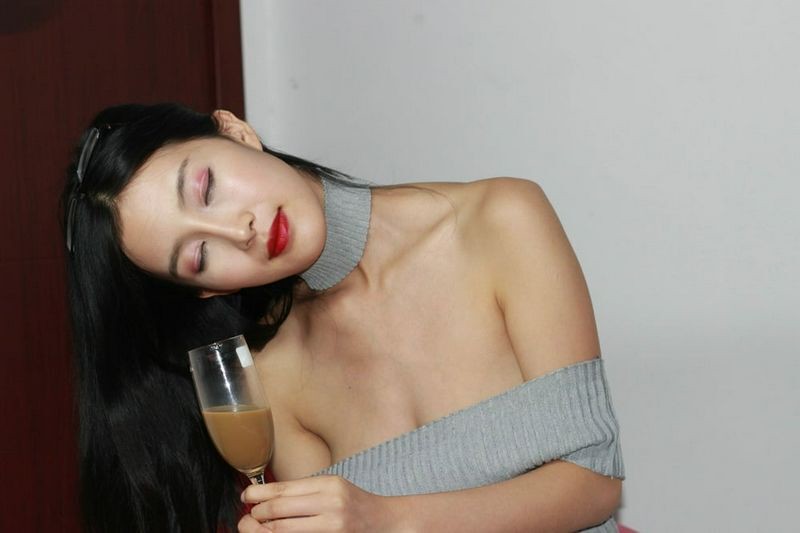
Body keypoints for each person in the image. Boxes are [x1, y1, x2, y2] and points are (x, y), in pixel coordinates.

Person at [62, 102, 624, 533]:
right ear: (208, 290)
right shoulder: (271, 375)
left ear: (234, 132)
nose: (239, 231)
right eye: (199, 256)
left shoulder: (500, 219)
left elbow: (595, 486)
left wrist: (389, 520)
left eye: (206, 188)